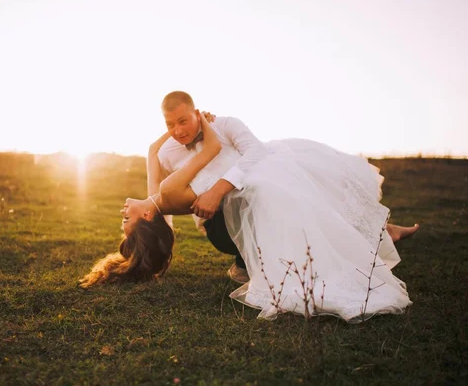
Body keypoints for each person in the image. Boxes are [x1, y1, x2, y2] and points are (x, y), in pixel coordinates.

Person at [80, 91, 418, 322]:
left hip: (264, 177)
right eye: (171, 125)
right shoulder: (168, 172)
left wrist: (205, 149)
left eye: (182, 121)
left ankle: (386, 229)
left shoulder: (223, 125)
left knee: (317, 186)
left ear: (194, 112)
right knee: (292, 208)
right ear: (147, 216)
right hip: (234, 211)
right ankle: (262, 263)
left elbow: (255, 154)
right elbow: (175, 172)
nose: (177, 131)